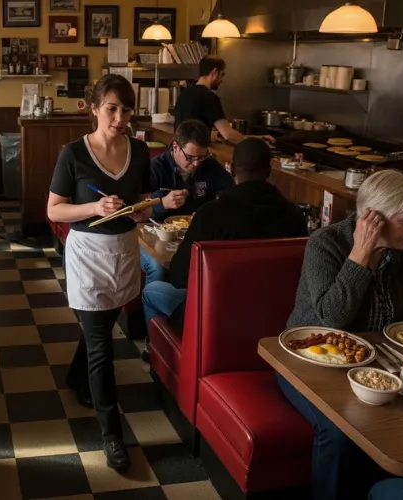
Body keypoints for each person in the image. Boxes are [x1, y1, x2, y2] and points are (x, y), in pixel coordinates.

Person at [279, 169, 403, 500]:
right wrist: (361, 254)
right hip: (308, 364)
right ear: (375, 219)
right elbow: (331, 319)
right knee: (338, 433)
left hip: (379, 366)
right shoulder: (325, 244)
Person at [47, 74, 153, 473]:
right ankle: (112, 435)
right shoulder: (73, 153)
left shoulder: (139, 151)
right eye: (111, 108)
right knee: (101, 347)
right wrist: (94, 208)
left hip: (125, 251)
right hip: (88, 254)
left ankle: (76, 378)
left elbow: (142, 202)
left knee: (101, 330)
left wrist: (144, 209)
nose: (119, 117)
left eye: (126, 109)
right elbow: (54, 210)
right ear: (93, 108)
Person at [141, 138, 308, 326]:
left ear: (233, 170)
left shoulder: (212, 214)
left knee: (151, 291)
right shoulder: (295, 215)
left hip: (217, 316)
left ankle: (161, 349)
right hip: (278, 315)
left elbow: (180, 276)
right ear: (269, 172)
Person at [173, 56, 273, 145]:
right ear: (215, 72)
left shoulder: (184, 93)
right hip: (195, 155)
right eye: (222, 74)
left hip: (179, 151)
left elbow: (189, 125)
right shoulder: (209, 97)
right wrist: (255, 141)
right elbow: (228, 135)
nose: (221, 80)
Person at [149, 120, 234, 222]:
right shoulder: (155, 168)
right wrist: (163, 203)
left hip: (199, 229)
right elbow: (137, 211)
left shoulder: (210, 165)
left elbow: (230, 194)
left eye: (201, 157)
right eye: (190, 157)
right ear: (176, 147)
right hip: (160, 232)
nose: (196, 164)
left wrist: (213, 210)